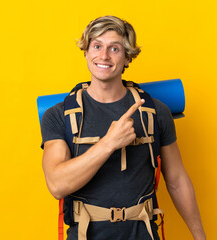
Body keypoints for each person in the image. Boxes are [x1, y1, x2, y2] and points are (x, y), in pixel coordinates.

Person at [40, 15, 206, 240]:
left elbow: (177, 180)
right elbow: (57, 185)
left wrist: (200, 236)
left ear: (128, 58)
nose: (104, 56)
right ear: (86, 53)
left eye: (115, 49)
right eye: (97, 46)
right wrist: (108, 143)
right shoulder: (58, 115)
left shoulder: (156, 112)